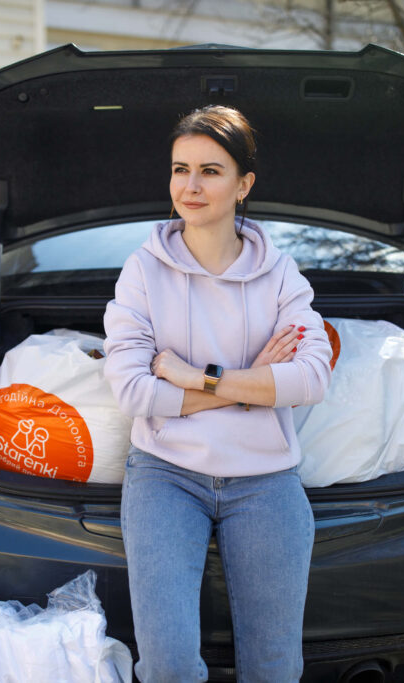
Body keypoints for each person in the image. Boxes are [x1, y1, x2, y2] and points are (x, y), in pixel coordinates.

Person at [103, 105, 333, 682]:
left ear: (244, 184)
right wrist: (253, 382)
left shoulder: (281, 274)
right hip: (165, 474)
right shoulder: (143, 270)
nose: (190, 185)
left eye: (210, 170)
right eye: (181, 169)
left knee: (275, 667)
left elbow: (311, 379)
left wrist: (192, 375)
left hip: (265, 478)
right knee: (168, 665)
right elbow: (131, 388)